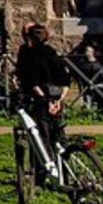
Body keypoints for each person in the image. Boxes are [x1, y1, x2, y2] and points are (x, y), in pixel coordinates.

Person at [14, 23, 70, 157]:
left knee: (42, 138)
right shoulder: (52, 52)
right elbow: (65, 81)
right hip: (56, 98)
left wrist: (47, 101)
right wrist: (59, 100)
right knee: (57, 134)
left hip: (40, 101)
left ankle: (46, 165)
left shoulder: (32, 55)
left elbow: (32, 82)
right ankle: (63, 162)